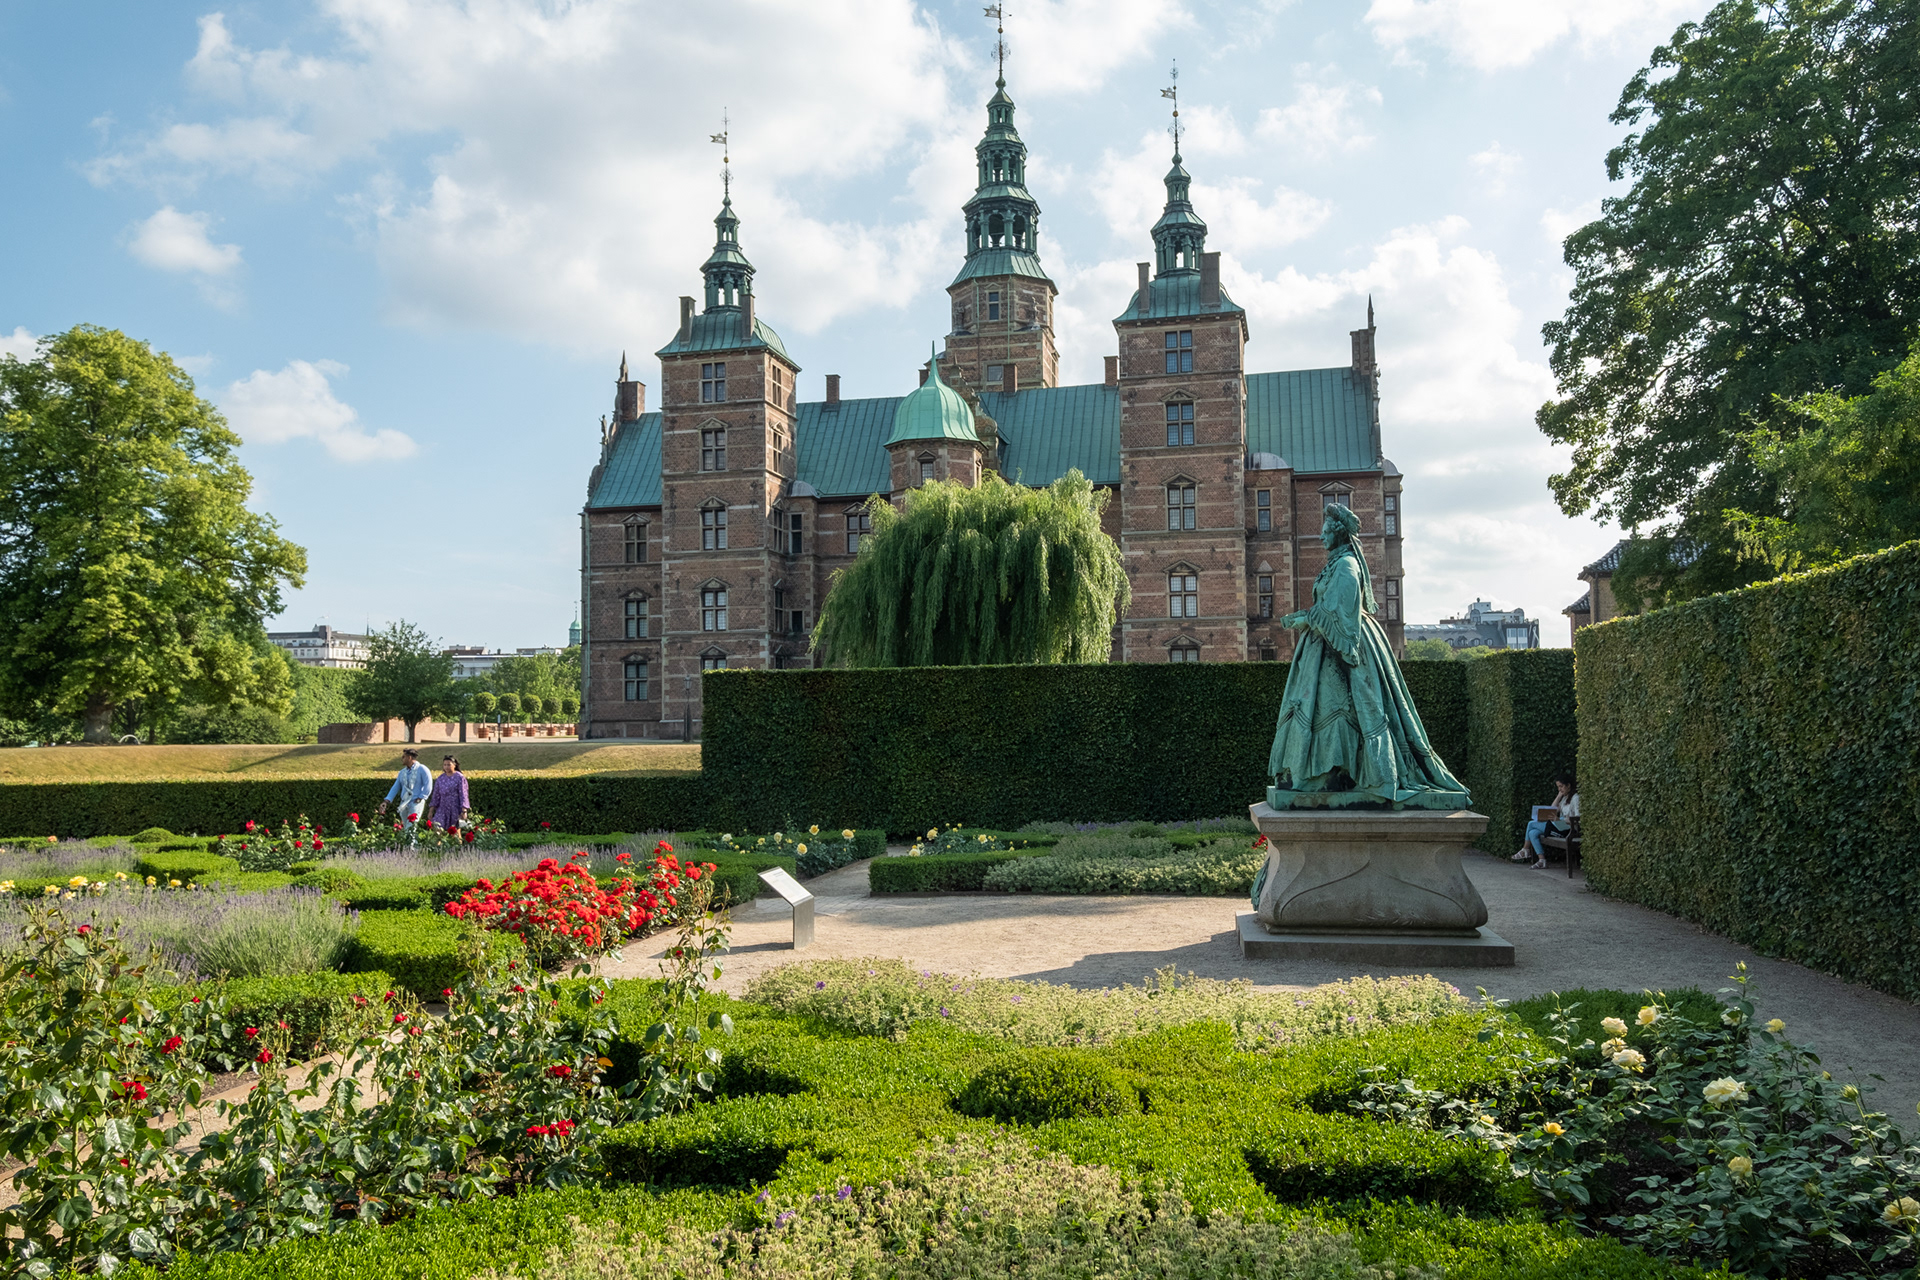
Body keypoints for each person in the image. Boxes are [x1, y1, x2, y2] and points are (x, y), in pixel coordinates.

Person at [1267, 504, 1470, 806]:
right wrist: (1305, 617)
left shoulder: (1346, 565)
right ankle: (1325, 775)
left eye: (1325, 531)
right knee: (1327, 709)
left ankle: (1340, 775)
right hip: (1325, 648)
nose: (1321, 537)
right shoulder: (1338, 563)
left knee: (1342, 708)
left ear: (1338, 534)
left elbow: (1341, 612)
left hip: (1346, 650)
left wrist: (1307, 618)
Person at [1514, 774, 1579, 869]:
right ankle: (1542, 860)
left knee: (1531, 823)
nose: (1559, 789)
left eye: (1561, 786)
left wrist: (1560, 820)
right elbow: (1552, 809)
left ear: (1568, 785)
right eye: (1558, 787)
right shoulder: (1565, 798)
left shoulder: (1575, 798)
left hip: (1568, 829)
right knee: (1532, 833)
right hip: (1559, 825)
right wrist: (1559, 796)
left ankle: (1525, 849)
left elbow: (1578, 818)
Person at [377, 748, 433, 844]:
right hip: (404, 803)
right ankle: (410, 847)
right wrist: (386, 801)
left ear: (409, 757)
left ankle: (411, 848)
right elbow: (395, 787)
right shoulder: (402, 772)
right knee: (406, 827)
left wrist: (421, 797)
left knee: (411, 827)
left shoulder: (422, 769)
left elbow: (428, 784)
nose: (401, 759)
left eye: (403, 757)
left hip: (416, 802)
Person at [428, 755, 470, 833]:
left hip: (455, 808)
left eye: (449, 765)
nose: (446, 767)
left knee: (455, 832)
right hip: (442, 808)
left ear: (454, 765)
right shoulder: (440, 778)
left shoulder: (460, 777)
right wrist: (431, 810)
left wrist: (464, 810)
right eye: (445, 765)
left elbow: (463, 794)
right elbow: (436, 795)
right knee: (438, 830)